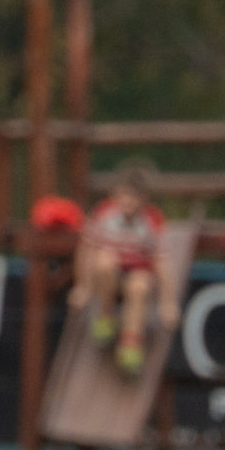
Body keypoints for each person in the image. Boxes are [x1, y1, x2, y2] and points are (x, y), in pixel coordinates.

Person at [68, 159, 179, 375]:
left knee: (139, 285)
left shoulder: (151, 222)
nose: (127, 203)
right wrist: (83, 287)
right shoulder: (104, 215)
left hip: (137, 272)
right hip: (111, 275)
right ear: (115, 195)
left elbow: (162, 263)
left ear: (143, 200)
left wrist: (169, 302)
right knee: (104, 260)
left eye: (133, 198)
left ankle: (131, 341)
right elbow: (86, 251)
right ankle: (106, 312)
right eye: (124, 196)